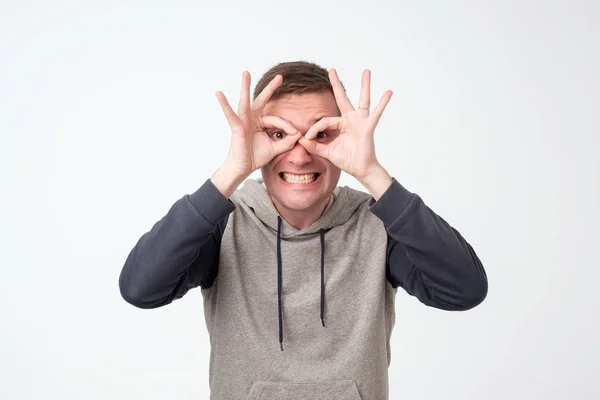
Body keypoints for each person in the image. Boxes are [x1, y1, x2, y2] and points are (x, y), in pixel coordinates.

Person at [118, 61, 488, 399]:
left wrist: (373, 174)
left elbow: (464, 290)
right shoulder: (223, 223)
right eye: (278, 135)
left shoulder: (379, 224)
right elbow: (141, 289)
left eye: (321, 133)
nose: (300, 155)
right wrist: (232, 170)